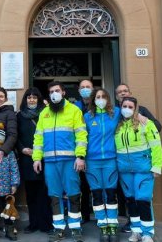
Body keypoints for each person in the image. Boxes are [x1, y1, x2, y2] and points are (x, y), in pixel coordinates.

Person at [32, 81, 87, 242]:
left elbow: (81, 135)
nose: (54, 93)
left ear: (63, 92)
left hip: (70, 161)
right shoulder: (44, 113)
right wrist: (36, 158)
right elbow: (38, 137)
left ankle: (76, 228)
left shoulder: (74, 110)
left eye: (57, 90)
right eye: (51, 91)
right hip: (50, 162)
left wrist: (80, 156)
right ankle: (59, 228)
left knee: (73, 194)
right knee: (54, 196)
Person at [115, 97, 162, 242]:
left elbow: (156, 145)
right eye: (125, 106)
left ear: (135, 108)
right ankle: (135, 231)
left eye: (130, 106)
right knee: (131, 201)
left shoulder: (146, 124)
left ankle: (147, 233)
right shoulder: (118, 126)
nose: (127, 109)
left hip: (143, 169)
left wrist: (157, 165)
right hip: (125, 170)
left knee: (143, 200)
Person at [84, 88, 121, 242]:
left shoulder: (116, 113)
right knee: (97, 194)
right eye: (98, 97)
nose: (101, 99)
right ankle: (103, 226)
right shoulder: (87, 117)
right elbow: (81, 138)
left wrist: (144, 118)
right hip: (92, 161)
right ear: (93, 100)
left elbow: (133, 113)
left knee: (111, 194)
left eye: (103, 96)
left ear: (108, 98)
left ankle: (113, 225)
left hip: (110, 160)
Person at [16, 87, 53, 234]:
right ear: (25, 100)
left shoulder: (46, 114)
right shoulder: (19, 116)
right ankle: (33, 223)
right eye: (29, 97)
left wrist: (41, 151)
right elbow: (16, 136)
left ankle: (46, 224)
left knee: (44, 193)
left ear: (39, 99)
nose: (31, 100)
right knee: (30, 193)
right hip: (26, 159)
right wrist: (22, 148)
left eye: (34, 97)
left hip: (44, 158)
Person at [73, 79, 94, 224]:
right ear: (79, 90)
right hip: (79, 151)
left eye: (88, 87)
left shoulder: (99, 104)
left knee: (98, 186)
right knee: (81, 185)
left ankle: (104, 218)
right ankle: (83, 214)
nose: (85, 89)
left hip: (95, 152)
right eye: (83, 87)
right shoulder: (74, 107)